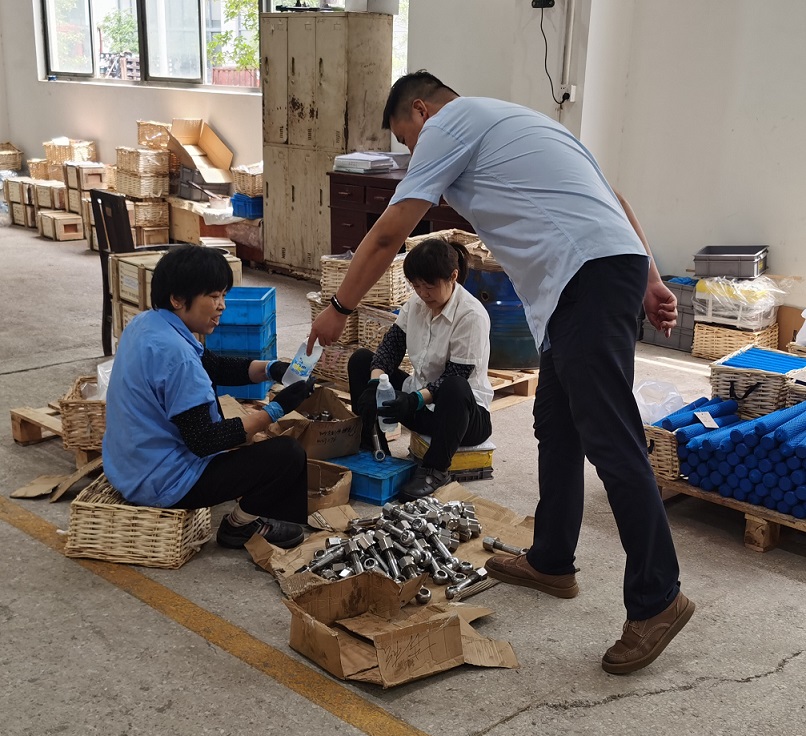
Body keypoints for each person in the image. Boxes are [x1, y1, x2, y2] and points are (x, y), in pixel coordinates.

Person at [309, 70, 694, 674]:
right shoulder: (523, 120)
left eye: (407, 139)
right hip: (591, 275)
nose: (413, 154)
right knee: (556, 426)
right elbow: (614, 200)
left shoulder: (450, 124)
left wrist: (339, 306)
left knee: (612, 438)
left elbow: (388, 233)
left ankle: (658, 598)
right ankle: (552, 560)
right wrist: (647, 276)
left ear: (421, 110)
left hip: (585, 279)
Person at [103, 245, 314, 551]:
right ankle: (239, 527)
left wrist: (272, 369)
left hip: (128, 466)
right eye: (214, 296)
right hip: (163, 483)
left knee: (227, 417)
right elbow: (205, 441)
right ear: (178, 299)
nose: (222, 306)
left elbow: (214, 366)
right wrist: (277, 409)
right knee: (287, 454)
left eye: (223, 295)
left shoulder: (147, 324)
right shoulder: (178, 357)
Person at [349, 238, 493, 500]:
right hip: (420, 406)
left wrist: (413, 400)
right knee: (361, 361)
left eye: (430, 286)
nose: (423, 294)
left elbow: (456, 375)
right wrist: (374, 385)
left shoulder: (471, 315)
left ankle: (435, 470)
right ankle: (373, 444)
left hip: (461, 419)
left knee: (455, 387)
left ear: (453, 276)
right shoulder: (415, 305)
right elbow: (391, 347)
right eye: (417, 286)